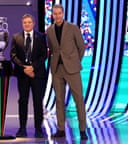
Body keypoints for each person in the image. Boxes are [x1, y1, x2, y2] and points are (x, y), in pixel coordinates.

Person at [46, 4, 88, 140]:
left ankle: (82, 130)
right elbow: (52, 49)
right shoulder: (50, 30)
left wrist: (75, 62)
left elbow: (81, 47)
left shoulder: (73, 28)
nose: (57, 16)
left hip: (72, 69)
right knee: (59, 100)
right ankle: (61, 129)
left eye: (59, 13)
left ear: (63, 14)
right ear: (52, 15)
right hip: (57, 69)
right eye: (55, 14)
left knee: (78, 100)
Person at [10, 14, 47, 138]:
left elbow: (43, 55)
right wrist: (24, 68)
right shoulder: (16, 37)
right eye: (25, 22)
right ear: (22, 24)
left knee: (37, 101)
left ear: (33, 23)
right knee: (23, 101)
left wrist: (33, 67)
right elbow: (13, 56)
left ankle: (38, 129)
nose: (27, 24)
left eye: (29, 22)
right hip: (22, 75)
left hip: (37, 74)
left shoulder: (41, 37)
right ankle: (22, 128)